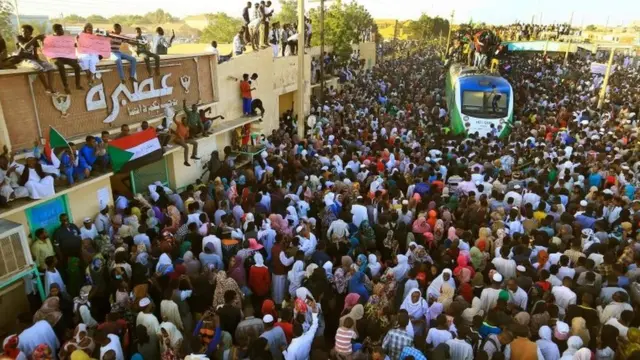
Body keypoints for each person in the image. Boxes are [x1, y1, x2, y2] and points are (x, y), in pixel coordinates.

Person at [15, 24, 56, 93]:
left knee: (50, 67)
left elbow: (35, 53)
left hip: (32, 59)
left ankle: (51, 87)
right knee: (38, 67)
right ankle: (47, 88)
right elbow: (25, 47)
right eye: (22, 31)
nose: (23, 33)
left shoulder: (33, 40)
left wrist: (41, 61)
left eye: (26, 32)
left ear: (30, 33)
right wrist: (35, 38)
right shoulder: (19, 38)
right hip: (22, 60)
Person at [50, 23, 83, 94]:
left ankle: (78, 85)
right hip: (56, 58)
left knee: (77, 66)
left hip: (65, 57)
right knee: (61, 66)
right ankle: (66, 86)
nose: (62, 31)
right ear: (56, 30)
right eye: (61, 30)